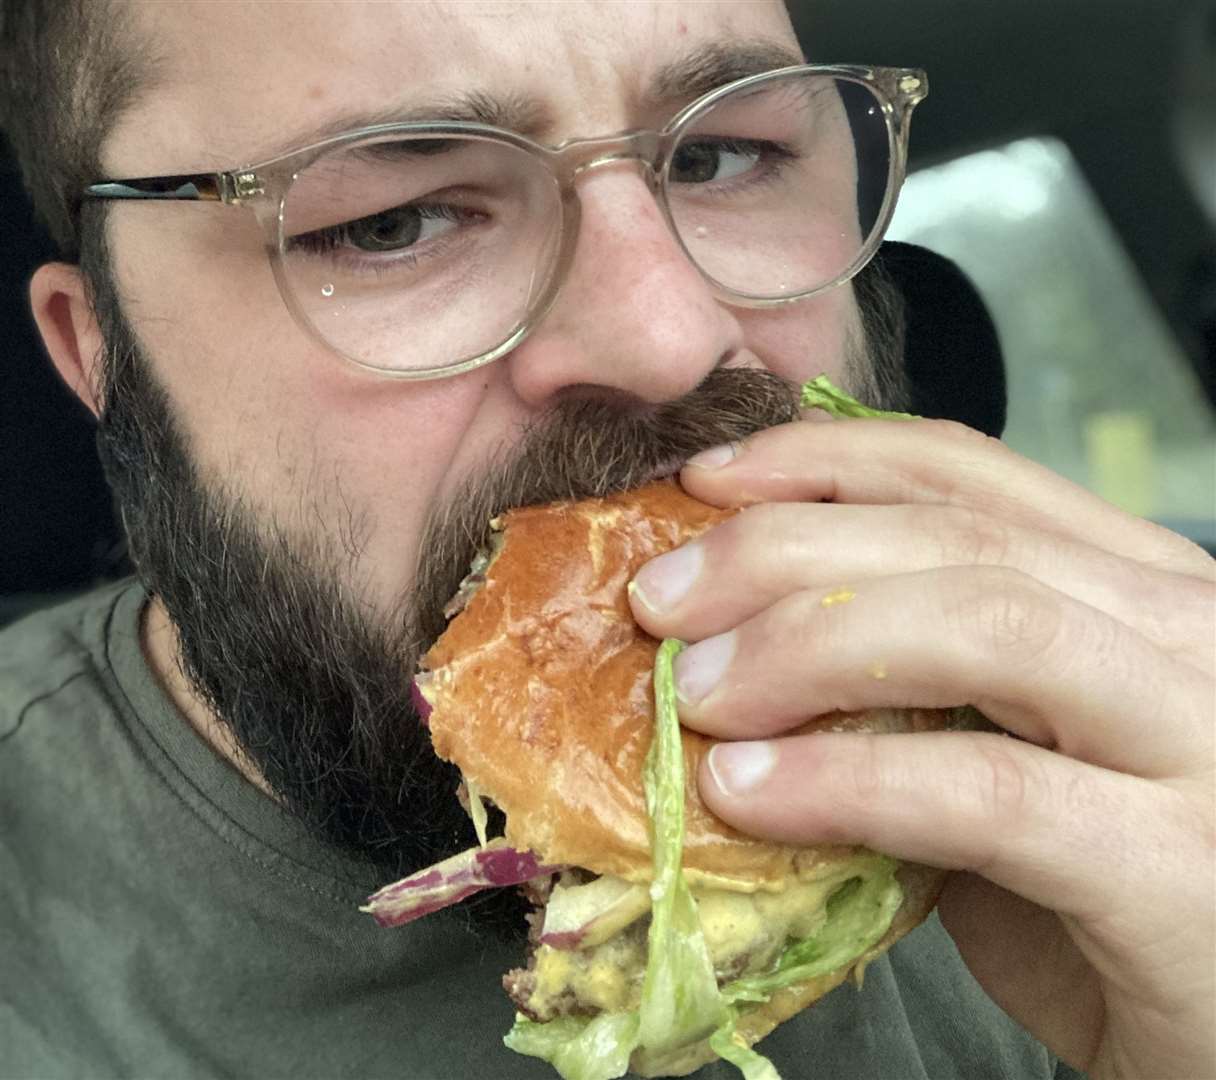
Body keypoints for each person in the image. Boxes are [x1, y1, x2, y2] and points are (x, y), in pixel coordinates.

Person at [0, 2, 1211, 1078]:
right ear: (99, 351)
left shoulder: (1127, 773)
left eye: (723, 155)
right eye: (394, 220)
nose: (667, 337)